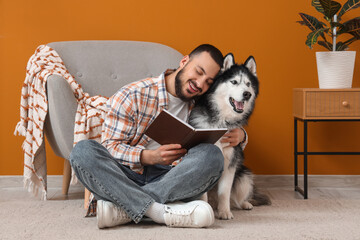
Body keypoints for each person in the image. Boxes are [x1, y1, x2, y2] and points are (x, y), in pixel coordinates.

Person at [69, 44, 247, 229]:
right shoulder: (133, 95)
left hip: (174, 178)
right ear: (184, 61)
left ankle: (124, 208)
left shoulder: (204, 102)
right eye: (198, 72)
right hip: (127, 176)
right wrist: (148, 157)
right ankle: (159, 211)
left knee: (211, 155)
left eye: (209, 82)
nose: (200, 84)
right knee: (82, 152)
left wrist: (242, 135)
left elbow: (229, 118)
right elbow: (110, 147)